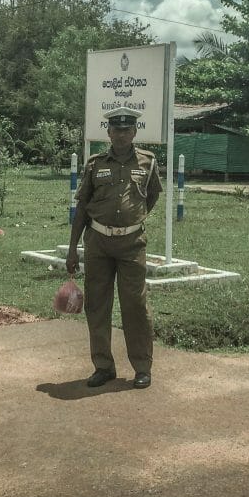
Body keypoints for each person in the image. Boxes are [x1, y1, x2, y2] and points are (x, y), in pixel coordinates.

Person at [66, 106, 163, 389]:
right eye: (116, 129)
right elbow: (82, 206)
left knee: (135, 305)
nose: (121, 134)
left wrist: (135, 218)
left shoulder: (148, 161)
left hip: (132, 245)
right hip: (98, 243)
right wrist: (73, 248)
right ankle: (103, 366)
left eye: (126, 129)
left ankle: (142, 367)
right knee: (97, 305)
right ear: (108, 132)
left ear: (134, 132)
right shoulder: (95, 164)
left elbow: (152, 195)